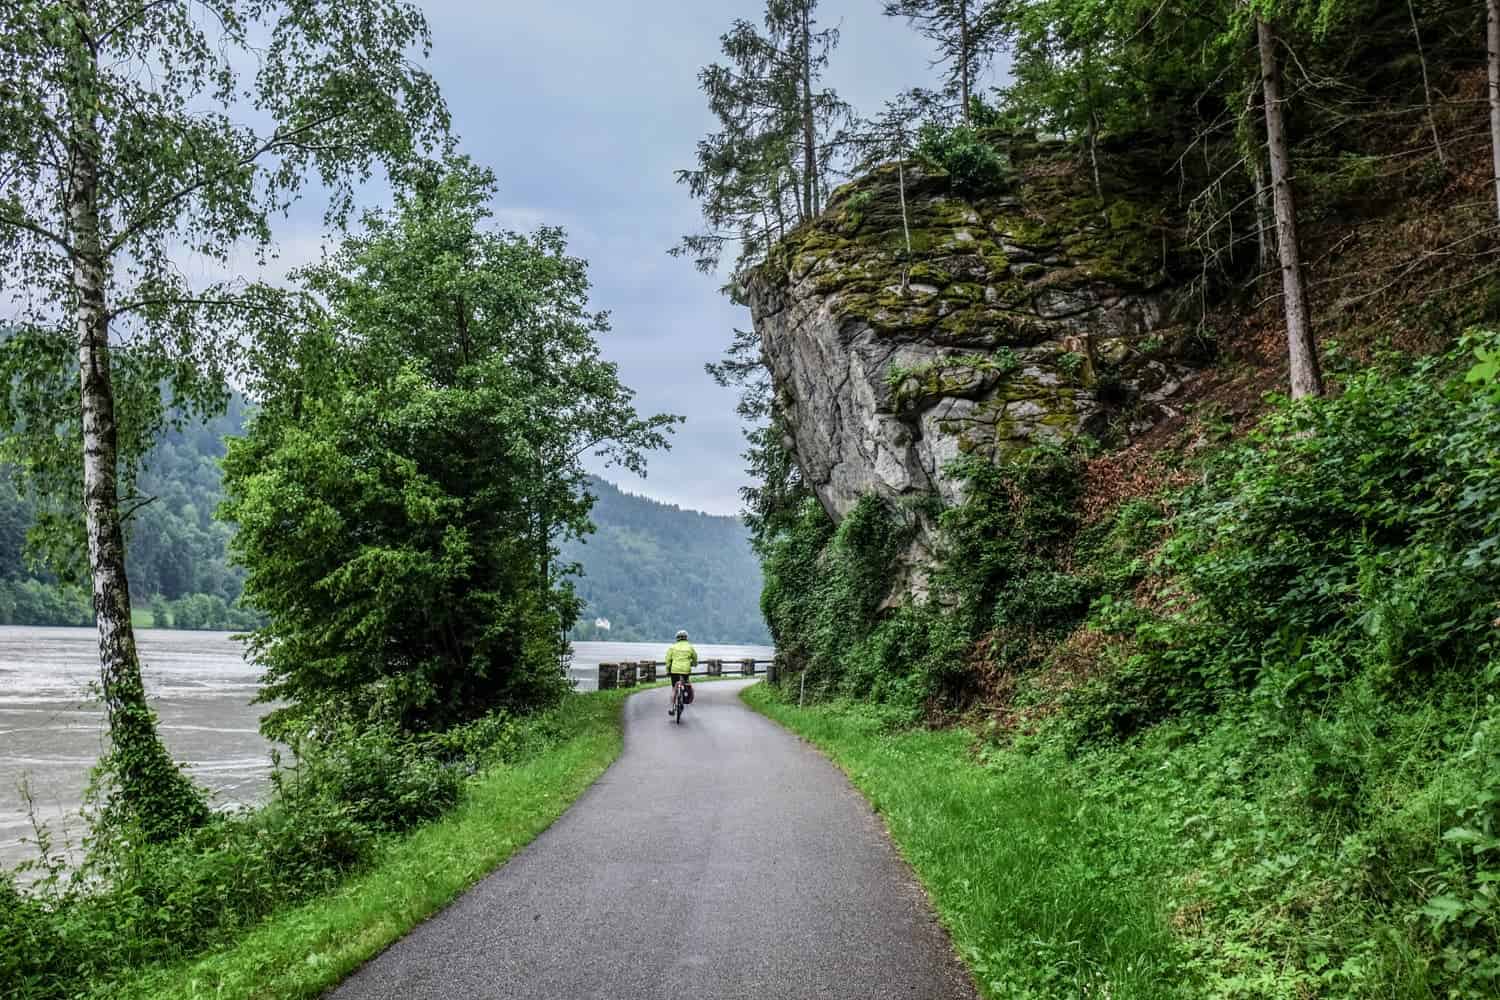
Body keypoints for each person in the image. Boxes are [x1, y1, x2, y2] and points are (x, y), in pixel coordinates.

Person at [664, 629, 697, 716]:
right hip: (685, 670)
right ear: (686, 638)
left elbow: (668, 660)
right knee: (686, 684)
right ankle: (684, 698)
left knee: (674, 688)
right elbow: (695, 658)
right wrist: (694, 664)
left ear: (677, 638)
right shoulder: (690, 647)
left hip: (674, 670)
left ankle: (672, 708)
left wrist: (668, 670)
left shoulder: (673, 647)